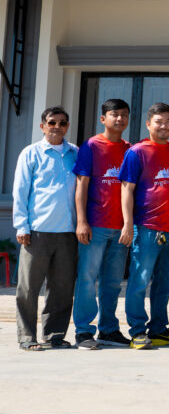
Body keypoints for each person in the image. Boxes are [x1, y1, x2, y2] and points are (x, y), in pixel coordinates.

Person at [120, 102, 169, 349]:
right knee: (139, 281)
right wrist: (128, 224)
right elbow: (127, 189)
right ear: (148, 124)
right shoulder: (136, 152)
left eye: (168, 122)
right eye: (159, 121)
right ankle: (137, 331)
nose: (164, 126)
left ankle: (159, 329)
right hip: (147, 226)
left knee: (166, 283)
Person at [13, 106, 78, 351]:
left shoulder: (75, 153)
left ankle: (55, 335)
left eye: (62, 123)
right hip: (36, 231)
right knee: (28, 288)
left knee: (62, 288)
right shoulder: (30, 153)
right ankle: (27, 337)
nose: (57, 127)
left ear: (67, 126)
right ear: (42, 126)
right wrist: (22, 225)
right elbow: (20, 191)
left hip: (68, 232)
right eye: (52, 122)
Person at [72, 98, 132, 350]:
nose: (120, 119)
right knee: (87, 279)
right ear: (103, 119)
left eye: (124, 115)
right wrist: (81, 221)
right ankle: (84, 331)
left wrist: (129, 224)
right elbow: (81, 185)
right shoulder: (91, 146)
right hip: (95, 225)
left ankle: (108, 329)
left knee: (113, 282)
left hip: (121, 228)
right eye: (114, 114)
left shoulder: (130, 149)